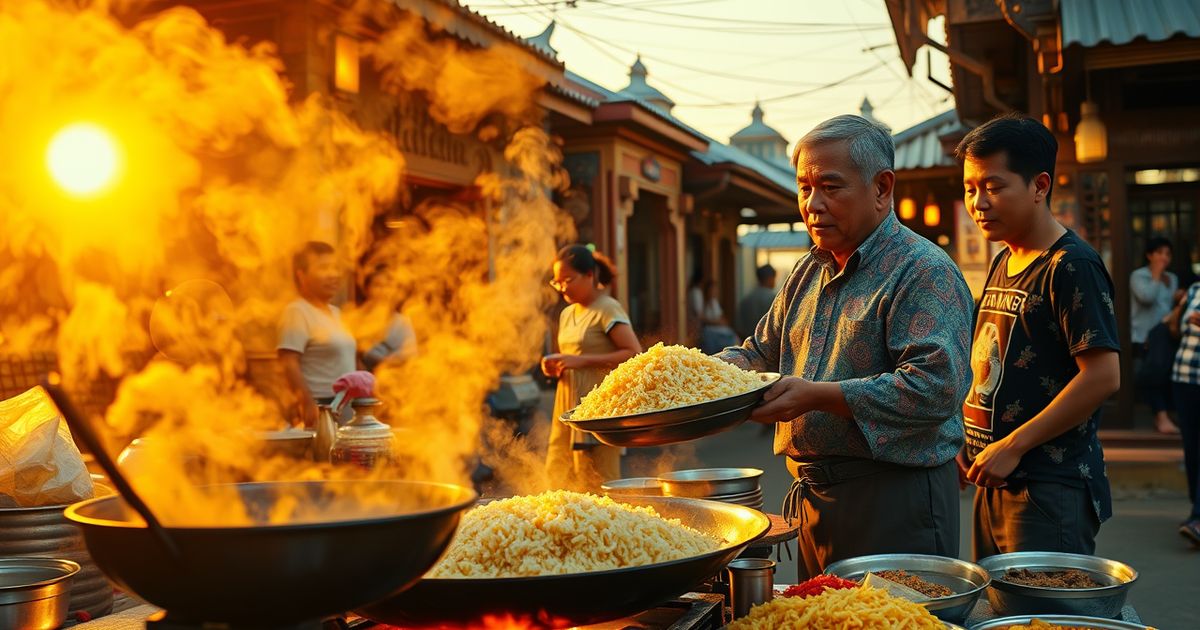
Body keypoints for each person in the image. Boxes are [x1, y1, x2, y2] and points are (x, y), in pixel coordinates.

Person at [717, 115, 973, 579]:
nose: (813, 204)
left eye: (831, 187)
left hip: (895, 497)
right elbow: (759, 352)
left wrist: (818, 395)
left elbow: (936, 387)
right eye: (804, 188)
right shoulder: (806, 271)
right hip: (813, 499)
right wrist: (693, 376)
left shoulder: (923, 270)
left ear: (881, 188)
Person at [956, 114, 1120, 560]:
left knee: (1043, 621)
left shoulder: (1071, 266)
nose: (978, 203)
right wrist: (963, 437)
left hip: (1048, 488)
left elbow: (1103, 376)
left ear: (1039, 185)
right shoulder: (1003, 260)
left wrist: (1012, 445)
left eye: (993, 186)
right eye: (970, 189)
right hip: (992, 477)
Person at [542, 245, 642, 488]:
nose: (563, 287)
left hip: (597, 408)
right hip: (566, 404)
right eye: (557, 282)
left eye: (568, 280)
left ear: (589, 275)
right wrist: (557, 365)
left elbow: (634, 352)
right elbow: (573, 355)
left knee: (598, 484)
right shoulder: (567, 313)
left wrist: (582, 362)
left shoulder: (607, 309)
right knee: (559, 475)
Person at [277, 241, 357, 428]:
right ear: (301, 275)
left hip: (346, 407)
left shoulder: (337, 313)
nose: (333, 274)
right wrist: (306, 403)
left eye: (335, 267)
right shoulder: (297, 311)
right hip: (321, 408)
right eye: (323, 268)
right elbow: (288, 362)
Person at [1131, 237, 1180, 434]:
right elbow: (1147, 298)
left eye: (1168, 254)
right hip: (1142, 336)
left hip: (1164, 335)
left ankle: (1163, 417)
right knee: (1149, 376)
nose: (1164, 257)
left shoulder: (1172, 278)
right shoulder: (1138, 276)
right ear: (1149, 255)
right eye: (1159, 253)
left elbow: (1167, 308)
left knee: (1162, 376)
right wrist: (1157, 274)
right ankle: (1160, 417)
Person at [1170, 281, 1200, 545]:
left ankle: (1198, 518)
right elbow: (1176, 329)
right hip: (1185, 377)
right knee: (1192, 449)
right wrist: (1181, 316)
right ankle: (1195, 511)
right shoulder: (1194, 289)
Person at [355, 266, 418, 372]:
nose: (383, 291)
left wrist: (386, 363)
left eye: (388, 286)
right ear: (367, 289)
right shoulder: (355, 319)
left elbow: (410, 354)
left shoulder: (402, 322)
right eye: (377, 285)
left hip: (393, 377)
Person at [736, 264, 778, 339]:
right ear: (770, 278)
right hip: (766, 344)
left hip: (748, 344)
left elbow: (739, 328)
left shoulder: (746, 300)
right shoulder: (774, 299)